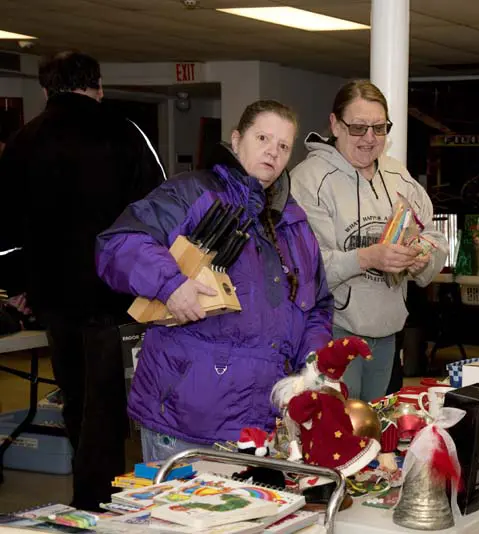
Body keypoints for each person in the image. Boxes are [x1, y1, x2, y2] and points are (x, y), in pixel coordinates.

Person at [96, 100, 333, 463]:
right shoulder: (192, 193)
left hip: (262, 425)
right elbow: (117, 245)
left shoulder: (294, 223)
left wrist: (312, 364)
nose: (273, 151)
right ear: (237, 140)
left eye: (284, 146)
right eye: (263, 138)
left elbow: (316, 303)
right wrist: (171, 284)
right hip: (186, 423)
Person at [0, 51, 164, 511]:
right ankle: (99, 504)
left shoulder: (22, 142)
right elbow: (160, 209)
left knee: (75, 400)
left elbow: (5, 226)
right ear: (97, 85)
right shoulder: (126, 133)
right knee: (108, 408)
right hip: (116, 300)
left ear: (46, 89)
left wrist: (19, 285)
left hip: (53, 299)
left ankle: (87, 499)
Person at [291, 80, 447, 402]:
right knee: (340, 433)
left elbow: (433, 235)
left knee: (377, 429)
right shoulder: (309, 180)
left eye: (379, 127)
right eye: (359, 128)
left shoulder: (397, 175)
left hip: (388, 332)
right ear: (335, 124)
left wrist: (421, 255)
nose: (370, 138)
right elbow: (307, 266)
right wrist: (368, 258)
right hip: (333, 331)